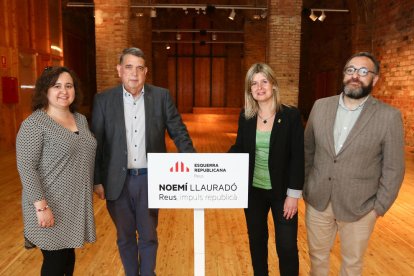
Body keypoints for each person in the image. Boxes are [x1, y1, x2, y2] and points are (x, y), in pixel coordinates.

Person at [91, 47, 195, 276]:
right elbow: (95, 144)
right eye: (128, 67)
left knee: (148, 235)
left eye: (139, 68)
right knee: (125, 236)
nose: (134, 74)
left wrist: (191, 163)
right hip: (117, 181)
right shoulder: (103, 100)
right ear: (119, 70)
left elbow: (178, 131)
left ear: (146, 72)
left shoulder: (161, 96)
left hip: (151, 179)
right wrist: (96, 180)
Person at [303, 52, 405, 275]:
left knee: (352, 265)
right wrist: (307, 187)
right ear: (344, 75)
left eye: (363, 71)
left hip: (361, 207)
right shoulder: (320, 106)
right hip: (318, 201)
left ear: (375, 79)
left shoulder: (389, 117)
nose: (355, 76)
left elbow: (394, 168)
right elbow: (307, 150)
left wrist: (378, 208)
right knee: (317, 259)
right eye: (350, 70)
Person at [16, 66, 97, 275]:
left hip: (73, 204)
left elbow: (85, 154)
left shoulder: (80, 119)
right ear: (45, 91)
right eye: (57, 86)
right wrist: (41, 206)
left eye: (68, 86)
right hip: (48, 204)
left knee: (67, 259)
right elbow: (26, 167)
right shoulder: (35, 123)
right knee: (55, 262)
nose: (64, 91)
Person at [228, 63, 304, 276]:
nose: (259, 87)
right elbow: (239, 148)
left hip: (283, 194)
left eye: (264, 81)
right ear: (249, 90)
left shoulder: (290, 116)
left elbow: (298, 156)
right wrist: (218, 165)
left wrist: (293, 195)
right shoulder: (246, 116)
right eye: (254, 83)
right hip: (253, 192)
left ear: (273, 85)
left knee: (287, 246)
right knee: (257, 243)